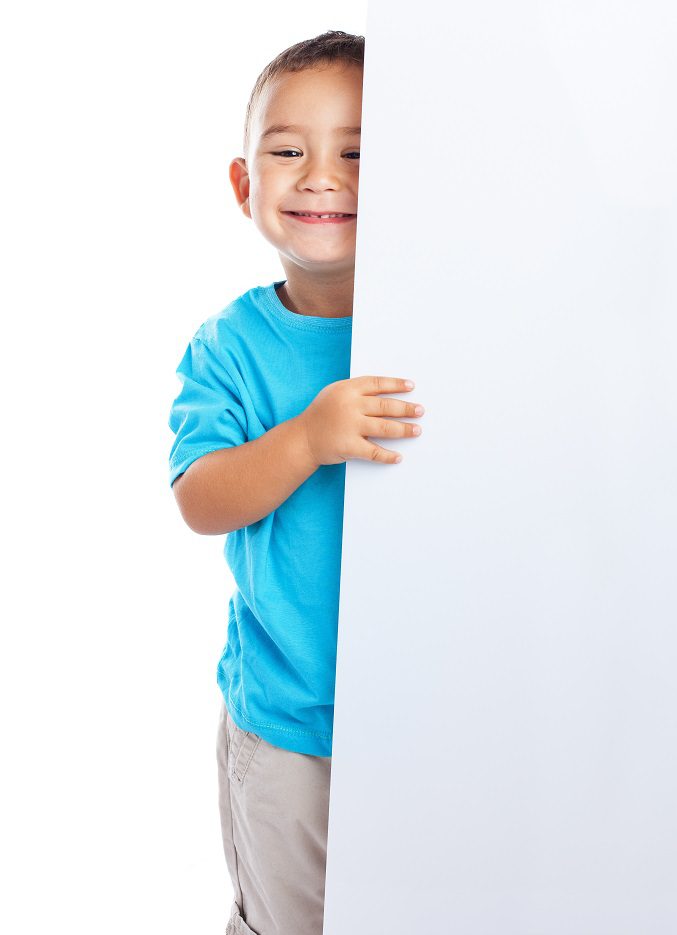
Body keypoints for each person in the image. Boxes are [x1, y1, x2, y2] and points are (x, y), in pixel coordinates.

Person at [166, 30, 423, 935]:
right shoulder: (229, 347)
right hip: (288, 722)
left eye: (358, 151)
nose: (322, 174)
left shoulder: (441, 327)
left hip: (424, 713)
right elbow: (200, 495)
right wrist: (308, 436)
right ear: (245, 186)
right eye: (288, 151)